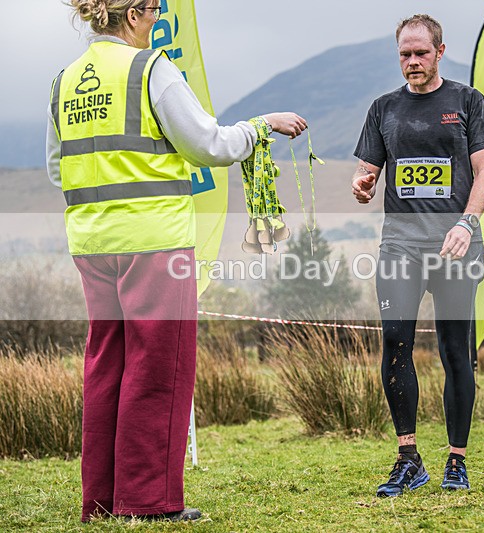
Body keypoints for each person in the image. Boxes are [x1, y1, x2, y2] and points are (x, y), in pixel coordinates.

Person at [47, 0, 306, 522]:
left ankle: (100, 500)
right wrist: (262, 125)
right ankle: (148, 501)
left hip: (92, 243)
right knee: (158, 366)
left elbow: (58, 170)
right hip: (156, 242)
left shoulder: (64, 80)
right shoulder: (151, 69)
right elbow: (209, 144)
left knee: (106, 365)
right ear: (139, 12)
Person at [351, 14, 484, 497]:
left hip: (456, 244)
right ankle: (408, 458)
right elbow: (368, 168)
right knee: (395, 343)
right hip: (400, 244)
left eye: (420, 53)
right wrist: (363, 182)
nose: (411, 62)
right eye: (404, 55)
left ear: (439, 51)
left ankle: (456, 460)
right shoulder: (383, 109)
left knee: (456, 351)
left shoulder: (467, 102)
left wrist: (466, 222)